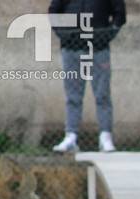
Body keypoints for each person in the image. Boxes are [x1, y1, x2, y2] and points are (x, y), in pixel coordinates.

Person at [49, 0, 126, 153]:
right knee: (73, 96)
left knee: (102, 94)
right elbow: (54, 11)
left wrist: (105, 35)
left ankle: (105, 137)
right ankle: (71, 136)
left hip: (98, 49)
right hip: (71, 49)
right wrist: (64, 35)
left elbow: (120, 14)